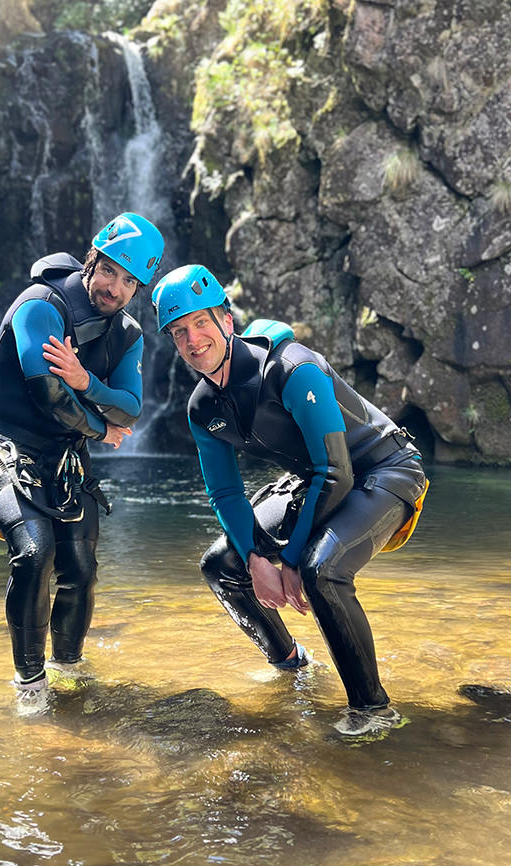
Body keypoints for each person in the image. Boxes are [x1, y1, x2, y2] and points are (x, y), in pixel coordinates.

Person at [152, 264, 428, 736]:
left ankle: (373, 710)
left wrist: (292, 559)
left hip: (385, 468)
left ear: (227, 320)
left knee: (323, 570)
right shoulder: (203, 407)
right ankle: (291, 665)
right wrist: (257, 558)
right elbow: (223, 491)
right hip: (318, 478)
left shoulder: (292, 368)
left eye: (201, 322)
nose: (193, 340)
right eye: (179, 332)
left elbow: (336, 471)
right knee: (222, 565)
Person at [0, 212, 164, 709]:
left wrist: (86, 382)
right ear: (92, 261)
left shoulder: (128, 334)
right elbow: (46, 393)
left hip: (66, 454)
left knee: (80, 569)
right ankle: (30, 683)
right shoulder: (40, 305)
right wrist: (101, 427)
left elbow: (131, 406)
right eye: (109, 271)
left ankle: (69, 670)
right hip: (8, 439)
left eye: (129, 281)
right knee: (35, 554)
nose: (115, 288)